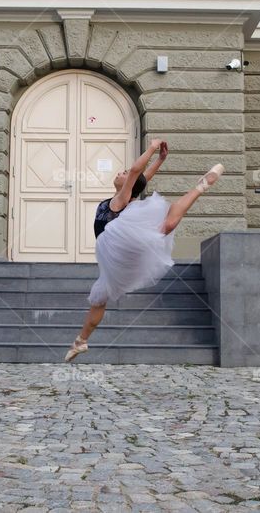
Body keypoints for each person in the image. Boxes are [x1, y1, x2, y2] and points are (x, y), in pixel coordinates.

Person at [64, 139, 224, 362]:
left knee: (162, 228)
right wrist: (160, 159)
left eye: (124, 173)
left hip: (118, 244)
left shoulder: (121, 200)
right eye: (123, 173)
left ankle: (200, 187)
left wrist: (152, 147)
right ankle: (81, 341)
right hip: (114, 254)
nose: (122, 173)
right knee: (99, 298)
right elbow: (143, 177)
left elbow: (137, 172)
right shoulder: (124, 196)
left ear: (127, 184)